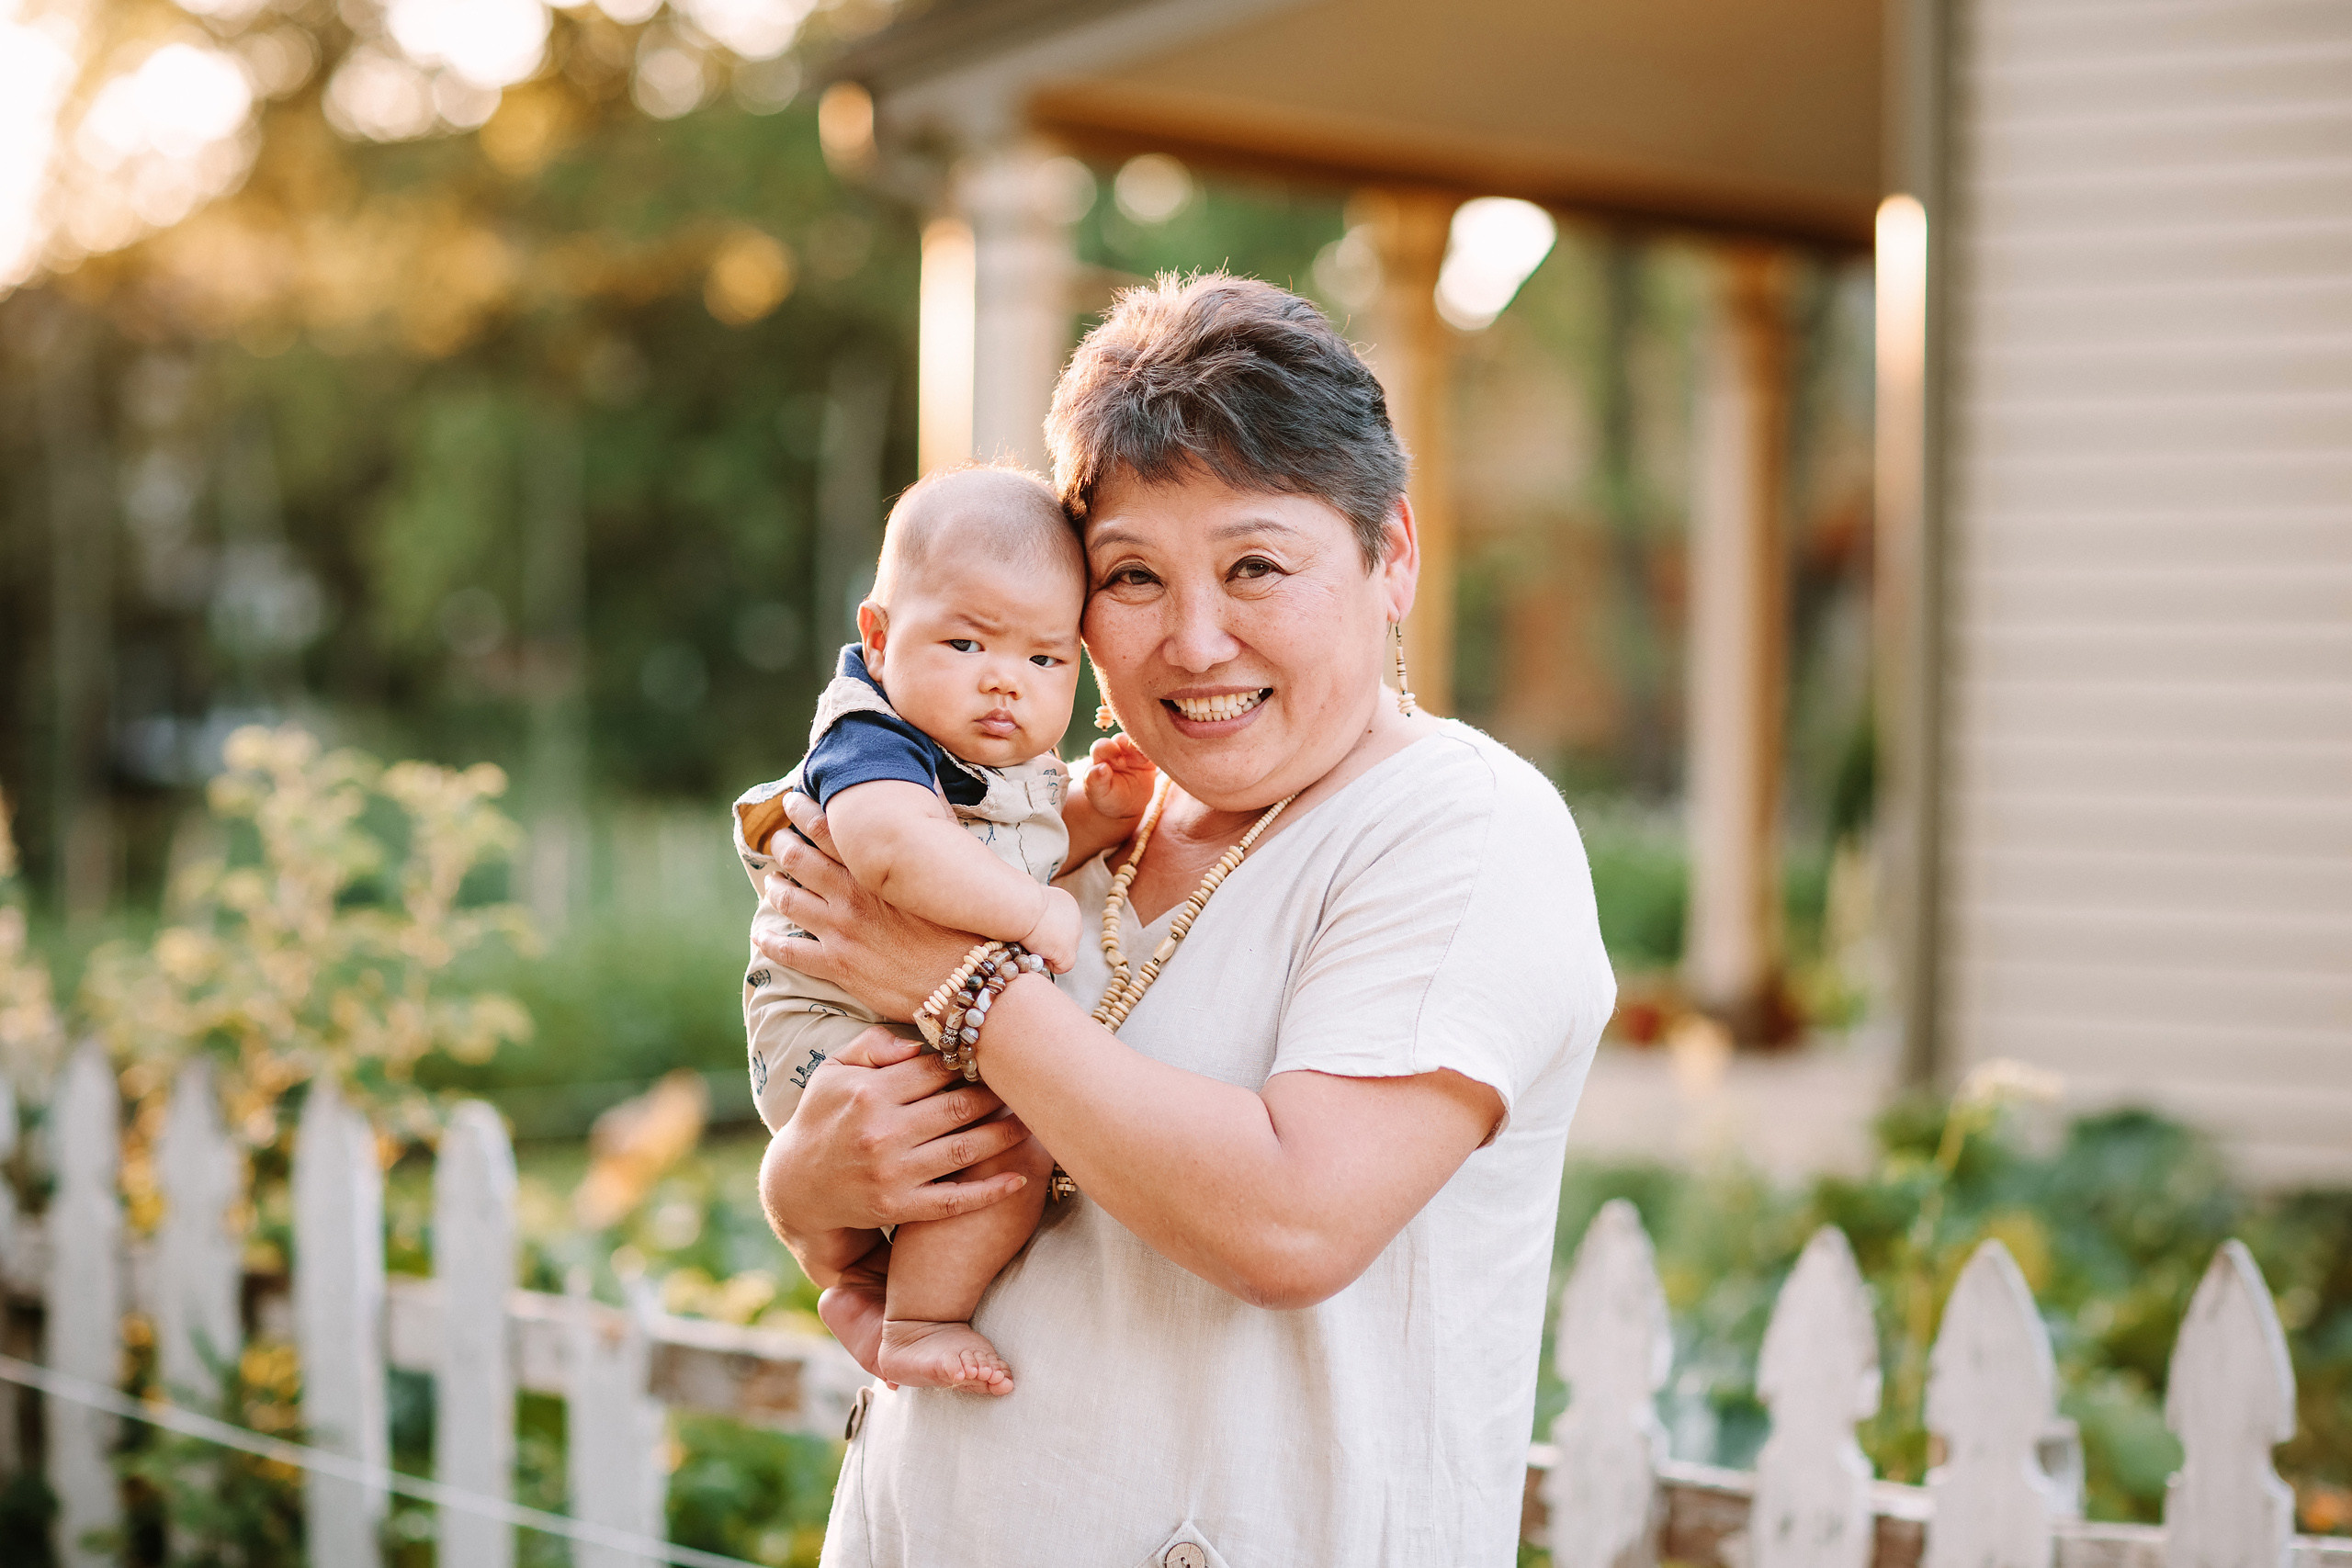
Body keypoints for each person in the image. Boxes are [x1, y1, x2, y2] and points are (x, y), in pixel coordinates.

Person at [752, 274, 1615, 1565]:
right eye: (1133, 576)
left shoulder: (1461, 825)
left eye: (1256, 564)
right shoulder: (1055, 823)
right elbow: (898, 1164)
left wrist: (962, 984)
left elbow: (1292, 1217)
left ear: (1393, 557)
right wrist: (805, 1183)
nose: (1194, 640)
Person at [729, 464, 1157, 1393]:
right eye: (966, 643)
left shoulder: (995, 757)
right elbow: (896, 855)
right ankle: (915, 1323)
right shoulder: (873, 739)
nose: (1005, 682)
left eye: (1046, 659)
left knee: (998, 1151)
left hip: (894, 1027)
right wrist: (1036, 913)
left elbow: (1014, 855)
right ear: (879, 639)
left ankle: (866, 1288)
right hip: (830, 1034)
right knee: (1003, 1146)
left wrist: (1095, 811)